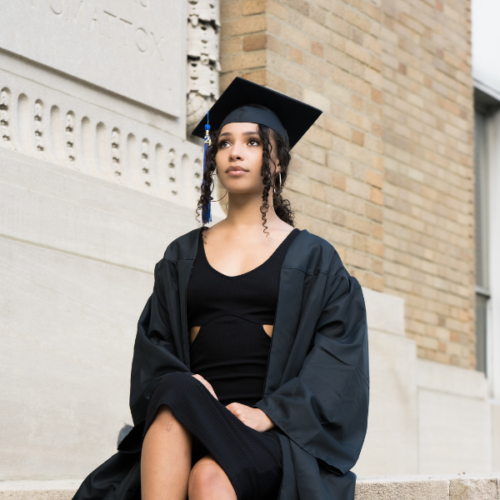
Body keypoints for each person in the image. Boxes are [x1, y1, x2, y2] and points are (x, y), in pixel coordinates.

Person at [72, 77, 369, 500]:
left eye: (252, 142)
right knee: (176, 390)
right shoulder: (182, 255)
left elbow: (339, 358)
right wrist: (192, 388)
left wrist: (270, 413)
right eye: (225, 142)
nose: (235, 152)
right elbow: (154, 346)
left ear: (278, 160)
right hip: (186, 426)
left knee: (209, 477)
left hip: (271, 433)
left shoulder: (314, 259)